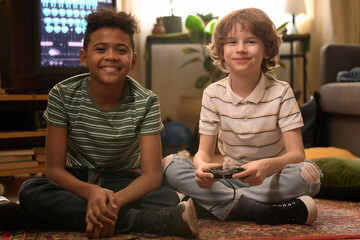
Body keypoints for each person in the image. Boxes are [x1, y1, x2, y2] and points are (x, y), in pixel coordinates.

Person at [0, 8, 198, 239]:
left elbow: (152, 176)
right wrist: (92, 192)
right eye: (101, 49)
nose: (111, 56)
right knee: (31, 190)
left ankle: (21, 217)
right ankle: (144, 221)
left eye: (121, 50)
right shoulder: (62, 95)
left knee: (167, 197)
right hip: (78, 179)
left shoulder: (146, 101)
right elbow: (53, 169)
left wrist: (112, 202)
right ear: (84, 57)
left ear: (133, 60)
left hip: (122, 180)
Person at [162, 8, 322, 225]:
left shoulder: (282, 92)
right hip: (230, 180)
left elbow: (296, 155)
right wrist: (200, 167)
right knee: (170, 165)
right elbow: (203, 154)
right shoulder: (213, 94)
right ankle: (254, 208)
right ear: (222, 51)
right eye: (231, 42)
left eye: (250, 42)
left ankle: (215, 204)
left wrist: (265, 166)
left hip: (272, 179)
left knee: (309, 174)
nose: (240, 49)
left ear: (267, 49)